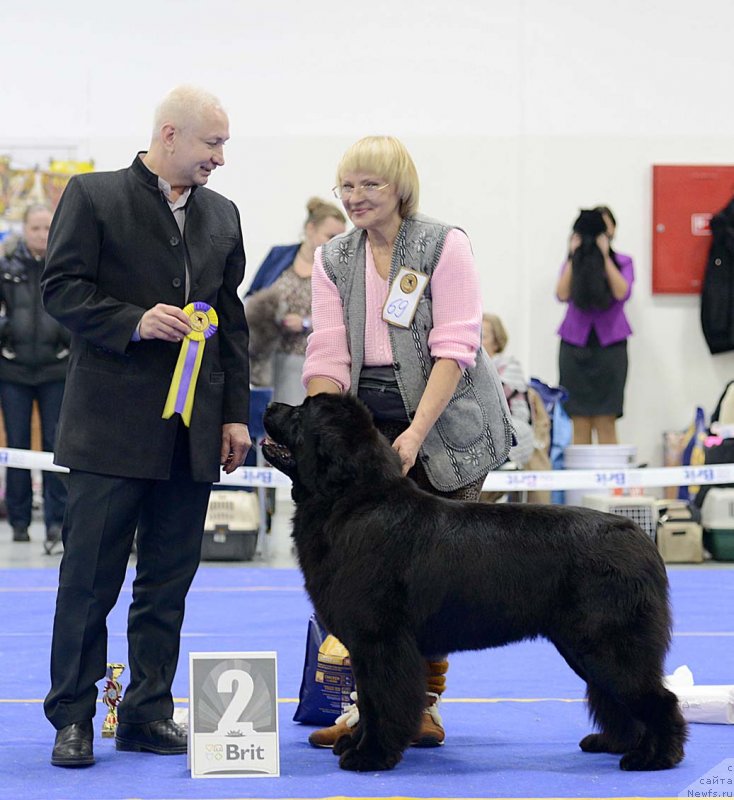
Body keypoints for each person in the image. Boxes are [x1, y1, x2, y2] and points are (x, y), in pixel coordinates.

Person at [40, 85, 251, 768]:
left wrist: (234, 415)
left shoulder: (224, 214)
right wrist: (133, 321)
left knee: (168, 583)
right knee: (88, 583)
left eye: (224, 145)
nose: (220, 157)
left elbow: (230, 322)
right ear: (169, 135)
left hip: (192, 435)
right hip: (108, 432)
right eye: (212, 143)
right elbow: (61, 289)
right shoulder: (93, 195)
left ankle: (147, 713)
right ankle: (73, 718)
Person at [301, 135, 513, 749]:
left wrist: (415, 434)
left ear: (400, 189)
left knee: (436, 579)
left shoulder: (444, 244)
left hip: (447, 425)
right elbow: (327, 353)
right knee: (363, 578)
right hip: (368, 424)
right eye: (347, 186)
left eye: (370, 184)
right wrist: (325, 430)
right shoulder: (333, 257)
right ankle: (370, 709)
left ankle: (421, 708)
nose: (355, 197)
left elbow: (455, 347)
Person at [0, 203, 69, 547]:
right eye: (36, 228)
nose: (42, 234)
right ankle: (19, 521)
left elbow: (78, 308)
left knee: (57, 446)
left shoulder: (66, 264)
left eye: (47, 228)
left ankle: (57, 522)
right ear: (24, 230)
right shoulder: (6, 267)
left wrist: (67, 342)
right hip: (13, 371)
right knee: (16, 445)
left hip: (56, 370)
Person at [244, 197, 346, 403]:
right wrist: (267, 314)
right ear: (310, 229)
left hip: (307, 361)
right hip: (267, 359)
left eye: (341, 239)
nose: (336, 244)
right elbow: (250, 296)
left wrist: (305, 323)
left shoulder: (339, 270)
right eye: (330, 236)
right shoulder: (278, 255)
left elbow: (344, 319)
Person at [555, 205, 634, 445]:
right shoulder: (573, 262)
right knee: (578, 421)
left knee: (606, 420)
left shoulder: (623, 262)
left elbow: (622, 292)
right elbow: (561, 294)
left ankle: (610, 471)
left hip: (610, 347)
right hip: (574, 347)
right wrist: (573, 255)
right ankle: (581, 472)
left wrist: (604, 256)